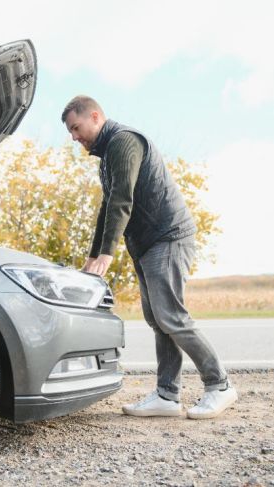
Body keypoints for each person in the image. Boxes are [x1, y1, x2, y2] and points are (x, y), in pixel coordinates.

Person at [61, 95, 237, 419]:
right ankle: (167, 396)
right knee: (158, 321)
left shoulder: (123, 142)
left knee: (172, 317)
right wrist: (92, 254)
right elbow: (108, 205)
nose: (74, 137)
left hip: (168, 237)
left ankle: (219, 385)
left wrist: (107, 254)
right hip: (148, 244)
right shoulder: (108, 155)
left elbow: (122, 200)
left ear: (95, 116)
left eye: (76, 127)